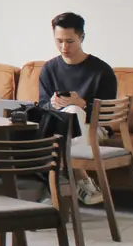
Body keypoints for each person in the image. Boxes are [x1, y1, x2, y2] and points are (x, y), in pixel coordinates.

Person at [38, 11, 118, 207]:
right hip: (58, 128)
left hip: (94, 128)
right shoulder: (49, 69)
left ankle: (53, 191)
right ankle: (80, 181)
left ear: (81, 37)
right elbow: (41, 108)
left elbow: (108, 115)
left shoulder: (102, 71)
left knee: (73, 111)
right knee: (61, 120)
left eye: (70, 41)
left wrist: (82, 104)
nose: (64, 47)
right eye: (59, 41)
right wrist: (53, 105)